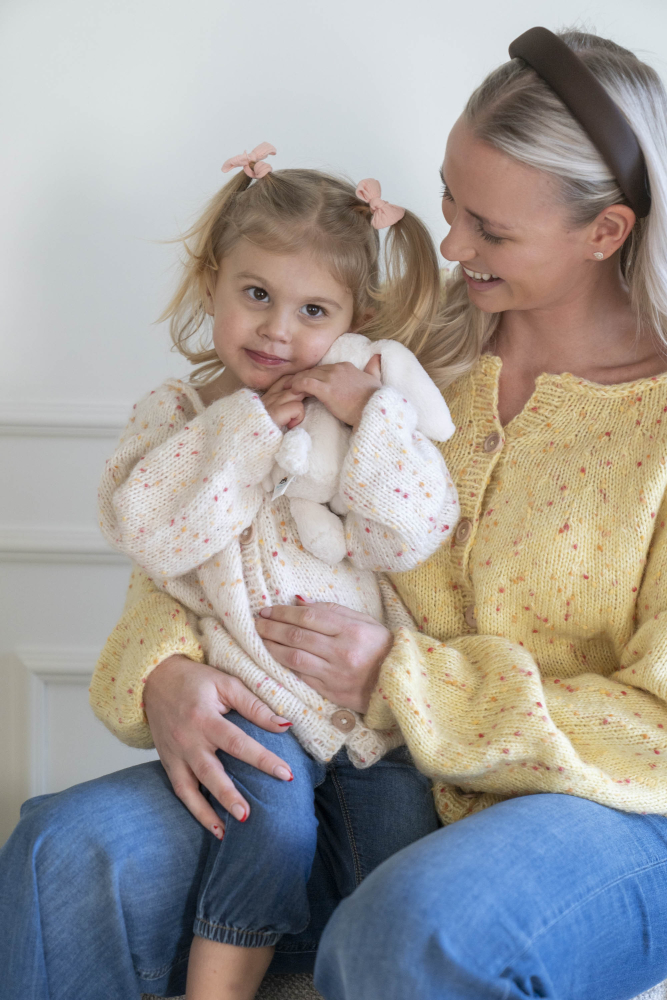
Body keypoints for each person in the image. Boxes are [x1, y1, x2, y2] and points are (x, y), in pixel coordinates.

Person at [3, 23, 667, 1000]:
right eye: (448, 202)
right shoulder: (391, 342)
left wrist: (403, 680)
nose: (451, 245)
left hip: (603, 807)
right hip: (338, 763)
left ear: (604, 232)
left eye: (489, 230)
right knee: (64, 854)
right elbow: (227, 515)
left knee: (409, 928)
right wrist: (164, 671)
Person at [94, 148, 459, 1000]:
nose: (276, 330)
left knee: (402, 850)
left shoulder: (366, 417)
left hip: (367, 710)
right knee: (271, 826)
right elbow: (148, 531)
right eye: (256, 294)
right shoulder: (181, 415)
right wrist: (248, 429)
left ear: (355, 320)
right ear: (212, 282)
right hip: (253, 693)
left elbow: (412, 533)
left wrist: (370, 417)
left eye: (313, 310)